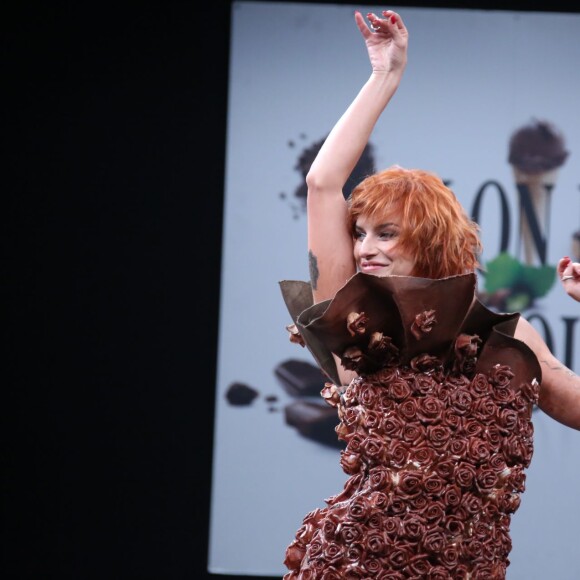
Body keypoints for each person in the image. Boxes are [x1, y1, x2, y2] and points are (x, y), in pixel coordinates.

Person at [280, 9, 580, 579]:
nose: (366, 246)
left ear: (432, 240)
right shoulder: (359, 320)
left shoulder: (506, 338)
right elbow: (322, 184)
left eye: (386, 233)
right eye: (360, 233)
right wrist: (385, 76)